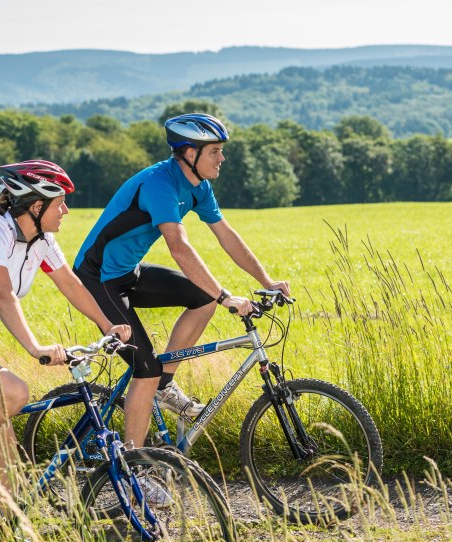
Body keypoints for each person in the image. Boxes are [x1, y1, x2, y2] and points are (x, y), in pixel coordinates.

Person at [73, 113, 290, 449]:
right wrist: (225, 297)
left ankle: (164, 386)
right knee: (145, 369)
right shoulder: (159, 183)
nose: (222, 158)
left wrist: (267, 280)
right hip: (97, 278)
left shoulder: (200, 187)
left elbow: (226, 235)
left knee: (201, 299)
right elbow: (180, 249)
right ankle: (136, 472)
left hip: (129, 272)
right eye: (215, 151)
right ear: (190, 154)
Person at [0, 159, 131, 485]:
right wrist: (35, 348)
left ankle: (8, 530)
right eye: (60, 203)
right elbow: (3, 294)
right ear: (36, 205)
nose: (66, 211)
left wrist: (107, 325)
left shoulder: (41, 239)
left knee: (9, 465)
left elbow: (70, 283)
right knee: (15, 394)